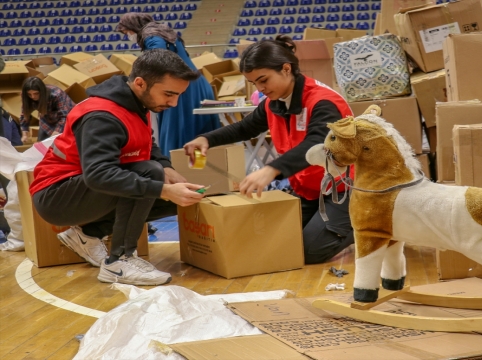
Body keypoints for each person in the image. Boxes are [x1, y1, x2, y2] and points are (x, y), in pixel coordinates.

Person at [29, 49, 206, 285]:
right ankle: (118, 262)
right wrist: (162, 188)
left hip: (84, 188)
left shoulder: (135, 102)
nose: (173, 103)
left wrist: (167, 168)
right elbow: (98, 175)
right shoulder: (101, 116)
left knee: (176, 195)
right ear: (141, 83)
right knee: (150, 174)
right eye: (169, 94)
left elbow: (145, 141)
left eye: (178, 95)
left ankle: (88, 233)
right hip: (57, 197)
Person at [184, 35, 355, 264]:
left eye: (263, 80)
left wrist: (271, 170)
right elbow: (245, 128)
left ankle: (369, 223)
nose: (261, 89)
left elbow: (317, 144)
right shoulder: (273, 102)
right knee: (276, 241)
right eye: (254, 83)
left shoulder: (323, 102)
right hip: (309, 191)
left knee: (309, 252)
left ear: (286, 69)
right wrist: (206, 139)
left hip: (344, 190)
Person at [117, 13, 220, 156]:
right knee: (198, 128)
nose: (129, 36)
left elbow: (157, 59)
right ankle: (200, 167)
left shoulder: (151, 35)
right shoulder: (163, 31)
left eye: (128, 32)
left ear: (134, 26)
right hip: (195, 83)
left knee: (178, 127)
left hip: (178, 86)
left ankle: (177, 164)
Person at [19, 77, 75, 144]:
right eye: (29, 94)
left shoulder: (56, 94)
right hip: (47, 121)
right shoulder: (26, 96)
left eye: (36, 93)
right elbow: (25, 113)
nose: (33, 96)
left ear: (42, 91)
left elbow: (64, 117)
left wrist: (55, 134)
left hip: (67, 121)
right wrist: (25, 133)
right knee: (41, 146)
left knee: (61, 146)